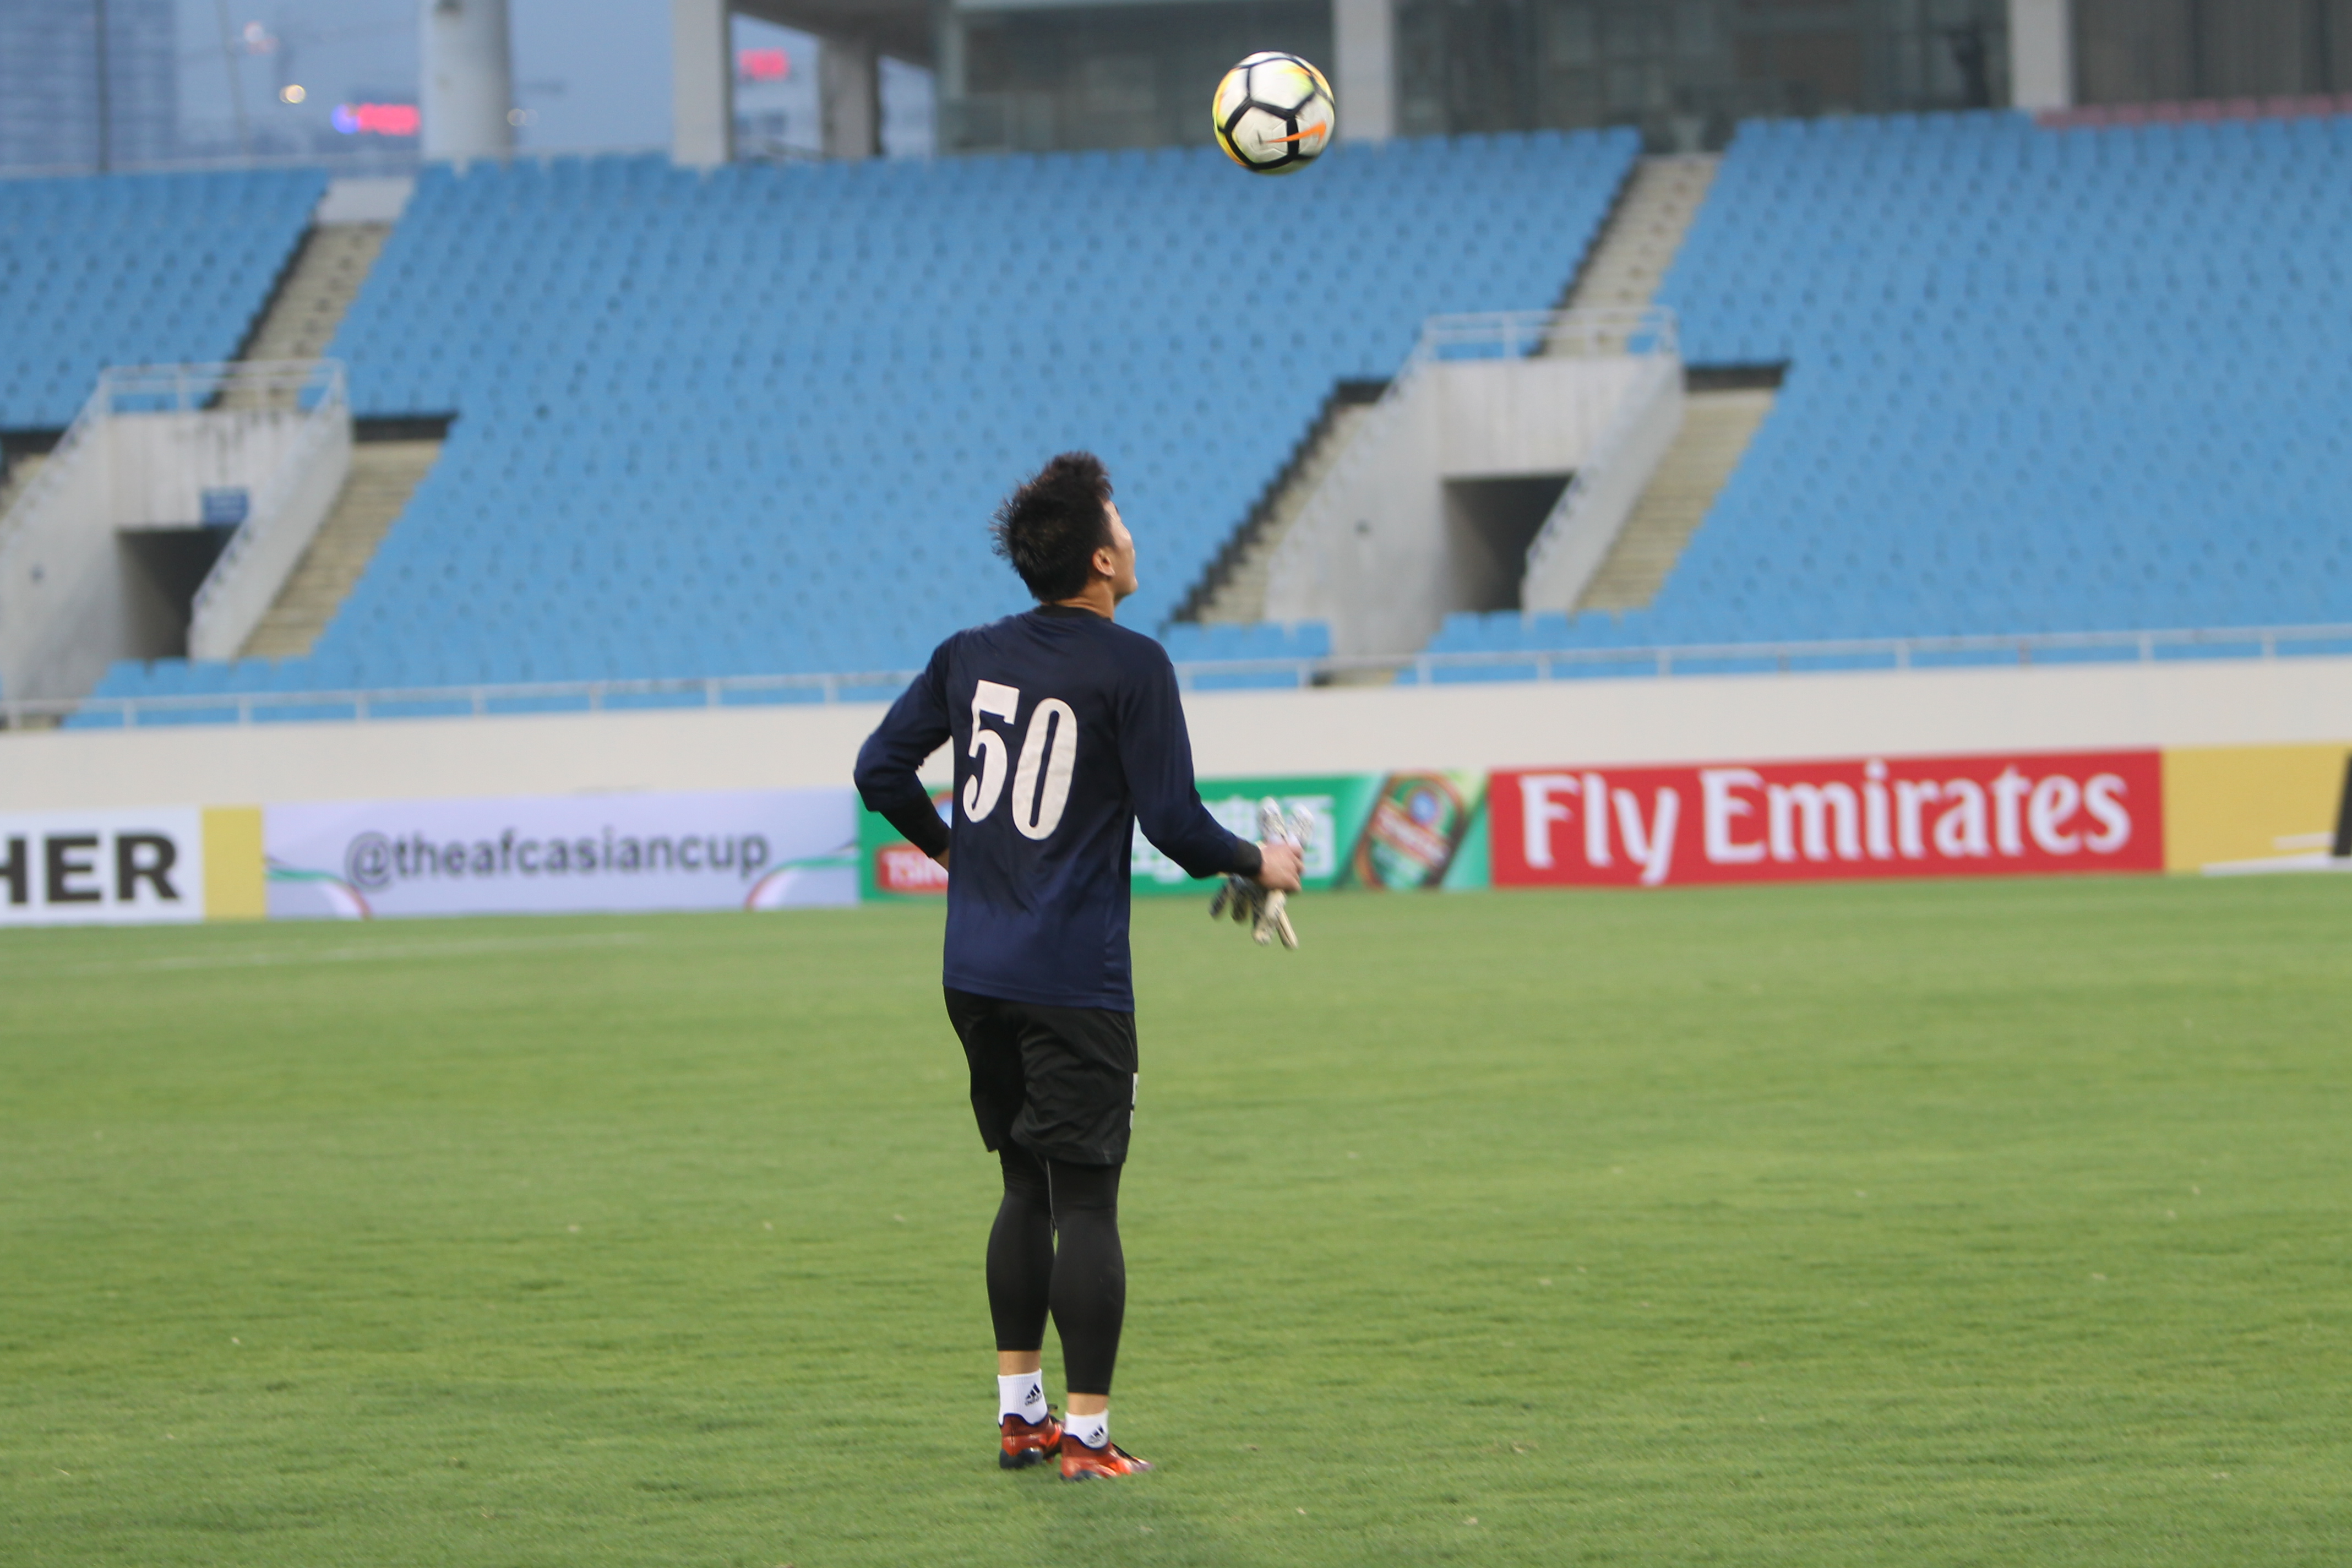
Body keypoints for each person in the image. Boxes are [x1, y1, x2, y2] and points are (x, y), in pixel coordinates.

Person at [854, 452, 1304, 1481]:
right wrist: (1260, 861)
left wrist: (951, 851)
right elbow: (1176, 825)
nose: (1133, 537)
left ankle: (1021, 1416)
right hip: (1072, 978)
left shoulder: (967, 654)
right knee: (1088, 1204)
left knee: (1023, 1188)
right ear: (1101, 561)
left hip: (975, 971)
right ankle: (1087, 1438)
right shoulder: (1134, 666)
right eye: (1123, 524)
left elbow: (879, 770)